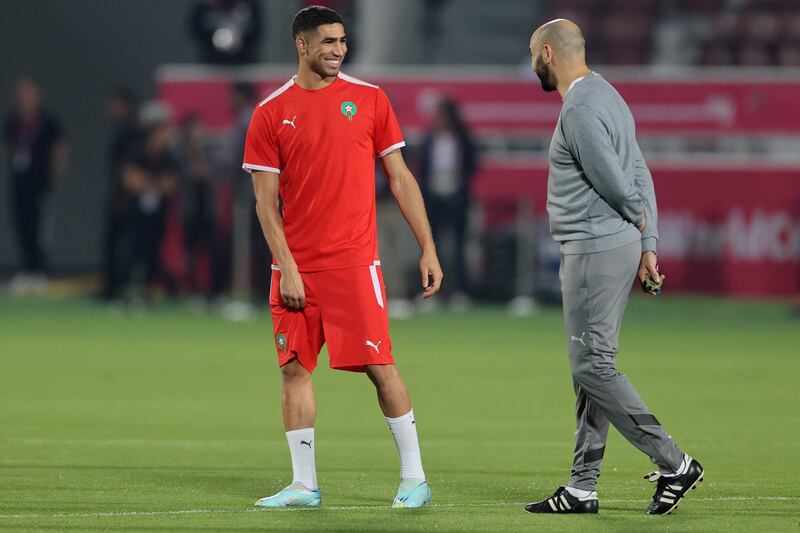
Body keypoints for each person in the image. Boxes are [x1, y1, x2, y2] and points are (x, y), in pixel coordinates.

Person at [243, 6, 442, 509]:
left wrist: (428, 247)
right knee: (293, 370)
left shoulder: (370, 99)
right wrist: (287, 266)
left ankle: (414, 478)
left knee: (381, 366)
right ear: (302, 45)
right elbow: (266, 204)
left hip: (355, 264)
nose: (338, 49)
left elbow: (399, 178)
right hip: (294, 267)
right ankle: (304, 485)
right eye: (328, 41)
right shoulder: (270, 112)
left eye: (343, 41)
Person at [524, 20, 703, 516]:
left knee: (592, 365)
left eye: (533, 56)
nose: (533, 66)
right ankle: (582, 488)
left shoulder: (579, 108)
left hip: (593, 247)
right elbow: (639, 167)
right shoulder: (608, 93)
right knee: (591, 369)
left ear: (547, 53)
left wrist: (639, 220)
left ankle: (674, 462)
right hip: (615, 245)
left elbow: (616, 180)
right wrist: (647, 241)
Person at [4, 76, 67, 293]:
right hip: (19, 181)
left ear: (37, 95)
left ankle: (40, 271)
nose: (24, 98)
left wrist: (54, 175)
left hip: (39, 182)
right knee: (21, 225)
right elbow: (11, 147)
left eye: (29, 93)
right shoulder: (13, 121)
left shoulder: (48, 121)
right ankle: (27, 270)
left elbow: (59, 149)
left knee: (39, 228)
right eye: (21, 93)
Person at [418, 97, 477, 304]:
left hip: (456, 195)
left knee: (459, 246)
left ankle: (460, 292)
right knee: (432, 246)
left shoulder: (462, 138)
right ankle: (431, 292)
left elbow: (472, 165)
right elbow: (423, 167)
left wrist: (459, 179)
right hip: (434, 195)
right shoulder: (430, 138)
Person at [119, 106, 179, 302]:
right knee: (132, 251)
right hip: (135, 212)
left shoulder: (168, 156)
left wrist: (147, 182)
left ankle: (148, 292)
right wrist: (154, 182)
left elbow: (170, 184)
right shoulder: (136, 151)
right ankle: (127, 291)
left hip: (158, 213)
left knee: (154, 253)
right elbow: (130, 180)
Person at [100, 87, 140, 302]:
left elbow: (127, 167)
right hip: (119, 195)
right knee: (114, 244)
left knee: (123, 246)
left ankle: (117, 289)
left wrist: (122, 196)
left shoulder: (129, 132)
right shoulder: (123, 130)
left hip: (124, 199)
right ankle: (112, 288)